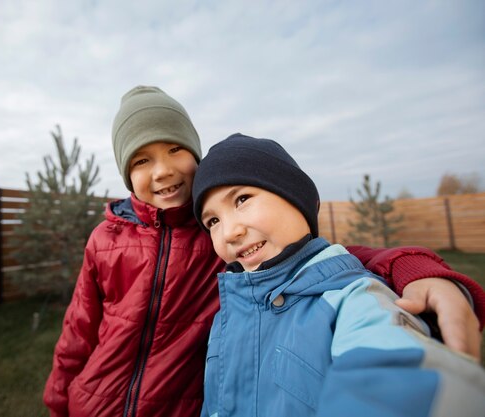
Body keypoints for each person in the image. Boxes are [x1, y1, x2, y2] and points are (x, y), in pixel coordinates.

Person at [43, 86, 485, 417]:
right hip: (93, 402)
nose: (162, 171)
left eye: (174, 149)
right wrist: (61, 399)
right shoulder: (106, 237)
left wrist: (412, 265)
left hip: (173, 405)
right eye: (141, 160)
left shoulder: (213, 239)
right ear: (126, 172)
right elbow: (78, 330)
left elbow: (321, 262)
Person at [192, 133, 485, 417]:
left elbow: (397, 384)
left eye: (242, 199)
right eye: (213, 220)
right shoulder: (228, 314)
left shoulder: (352, 298)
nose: (230, 232)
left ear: (296, 199)